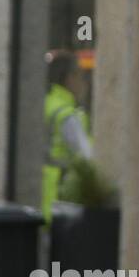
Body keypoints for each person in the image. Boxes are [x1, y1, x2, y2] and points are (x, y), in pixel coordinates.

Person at [41, 50, 92, 219]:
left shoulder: (46, 103)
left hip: (42, 194)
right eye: (82, 77)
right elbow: (86, 157)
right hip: (59, 195)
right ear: (70, 78)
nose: (85, 84)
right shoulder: (67, 114)